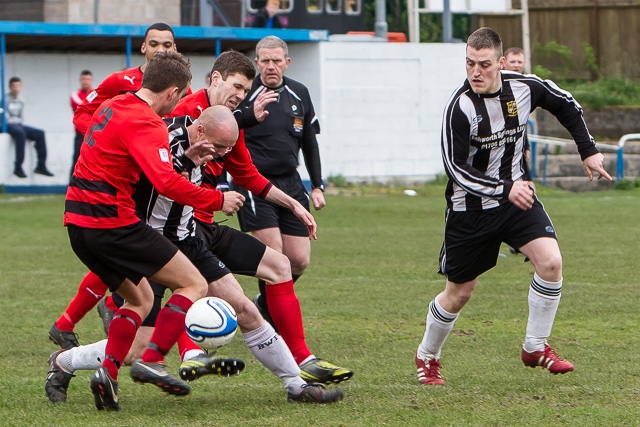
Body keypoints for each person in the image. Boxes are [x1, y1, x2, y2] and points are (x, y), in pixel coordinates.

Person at [50, 106, 346, 406]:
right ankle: (66, 361)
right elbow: (158, 181)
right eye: (218, 148)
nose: (220, 155)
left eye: (226, 149)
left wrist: (293, 205)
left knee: (245, 308)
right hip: (150, 245)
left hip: (189, 240)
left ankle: (296, 385)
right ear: (202, 129)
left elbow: (248, 174)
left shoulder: (213, 136)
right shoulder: (163, 136)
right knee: (135, 349)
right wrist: (208, 187)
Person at [414, 27, 612, 386]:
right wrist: (506, 188)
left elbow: (566, 103)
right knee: (460, 293)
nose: (475, 72)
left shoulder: (524, 87)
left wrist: (588, 149)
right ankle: (427, 355)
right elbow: (456, 169)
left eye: (484, 64)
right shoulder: (458, 108)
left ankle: (535, 346)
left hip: (514, 200)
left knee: (551, 262)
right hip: (470, 210)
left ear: (501, 63)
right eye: (470, 63)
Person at [63, 51, 247, 411]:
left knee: (140, 299)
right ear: (171, 92)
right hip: (112, 222)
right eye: (180, 98)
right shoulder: (148, 123)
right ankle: (153, 358)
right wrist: (215, 200)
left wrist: (185, 159)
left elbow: (134, 161)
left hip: (77, 224)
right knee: (192, 283)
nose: (177, 106)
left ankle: (108, 374)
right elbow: (165, 183)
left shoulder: (113, 106)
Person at [167, 52, 352, 384]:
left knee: (280, 265)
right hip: (177, 230)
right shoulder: (185, 115)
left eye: (244, 90)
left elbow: (249, 176)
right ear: (215, 79)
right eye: (236, 86)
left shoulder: (228, 123)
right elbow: (165, 178)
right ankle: (187, 352)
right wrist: (214, 198)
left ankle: (303, 358)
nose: (240, 95)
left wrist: (295, 205)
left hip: (205, 226)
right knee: (178, 300)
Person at [48, 22, 180, 350]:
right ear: (143, 48)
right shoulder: (121, 82)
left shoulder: (179, 87)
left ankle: (75, 320)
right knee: (122, 251)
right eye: (155, 44)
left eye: (168, 44)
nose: (161, 49)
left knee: (125, 254)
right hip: (119, 183)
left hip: (154, 180)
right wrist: (109, 140)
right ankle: (102, 314)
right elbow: (84, 113)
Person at [234, 36, 326, 337]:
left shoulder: (299, 93)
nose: (271, 66)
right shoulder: (246, 95)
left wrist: (316, 185)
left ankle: (264, 302)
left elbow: (310, 142)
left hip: (290, 183)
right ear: (256, 62)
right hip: (254, 183)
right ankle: (270, 321)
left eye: (277, 61)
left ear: (287, 62)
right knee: (273, 252)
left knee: (299, 259)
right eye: (265, 60)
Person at [2, 76, 53, 178]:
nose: (16, 88)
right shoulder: (4, 99)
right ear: (10, 87)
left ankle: (41, 165)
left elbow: (21, 116)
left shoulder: (21, 100)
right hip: (8, 124)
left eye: (18, 86)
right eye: (14, 86)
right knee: (20, 134)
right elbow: (4, 117)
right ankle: (18, 166)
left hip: (19, 124)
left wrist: (19, 123)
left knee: (40, 133)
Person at [69, 69, 93, 179]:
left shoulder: (95, 93)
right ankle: (72, 184)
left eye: (88, 79)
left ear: (91, 80)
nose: (85, 81)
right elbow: (81, 105)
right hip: (80, 134)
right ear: (80, 80)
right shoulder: (75, 95)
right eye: (83, 79)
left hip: (93, 134)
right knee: (77, 159)